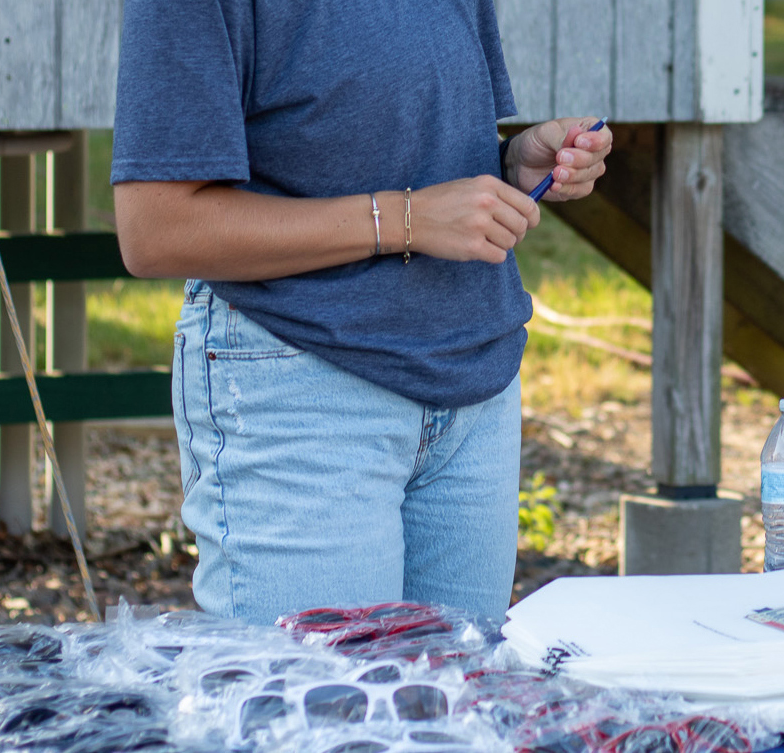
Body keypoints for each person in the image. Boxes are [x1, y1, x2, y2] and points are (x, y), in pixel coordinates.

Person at [109, 0, 613, 625]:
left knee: (456, 716)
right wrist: (406, 218)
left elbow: (402, 149)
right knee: (318, 716)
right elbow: (156, 228)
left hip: (473, 392)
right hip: (301, 392)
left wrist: (510, 163)